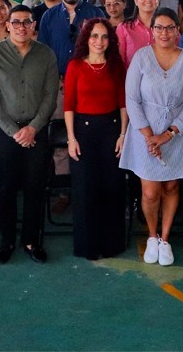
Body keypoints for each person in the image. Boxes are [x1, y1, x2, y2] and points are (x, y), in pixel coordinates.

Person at [121, 8, 183, 267]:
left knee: (171, 186)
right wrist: (149, 136)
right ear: (152, 31)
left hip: (177, 132)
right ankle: (152, 236)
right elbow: (132, 99)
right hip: (144, 132)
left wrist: (167, 135)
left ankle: (165, 239)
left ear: (177, 30)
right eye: (159, 27)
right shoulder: (141, 57)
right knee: (150, 192)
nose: (164, 32)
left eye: (170, 27)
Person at [0, 3, 58, 264]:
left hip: (36, 130)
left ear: (33, 25)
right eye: (16, 22)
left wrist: (33, 127)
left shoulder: (46, 55)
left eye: (27, 22)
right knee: (7, 187)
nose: (22, 27)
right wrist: (15, 132)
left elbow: (50, 95)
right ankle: (7, 241)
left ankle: (31, 241)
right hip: (5, 131)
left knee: (36, 187)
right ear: (7, 25)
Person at [63, 17, 128, 262]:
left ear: (110, 40)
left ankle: (112, 244)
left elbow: (123, 103)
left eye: (104, 36)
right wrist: (71, 138)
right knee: (85, 190)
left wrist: (123, 134)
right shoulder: (75, 66)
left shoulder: (116, 66)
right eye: (94, 36)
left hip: (112, 132)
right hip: (83, 132)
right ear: (86, 39)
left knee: (112, 188)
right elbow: (68, 105)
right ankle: (87, 245)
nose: (99, 41)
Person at [37, 0, 103, 77]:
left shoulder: (95, 14)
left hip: (88, 79)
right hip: (56, 81)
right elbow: (43, 51)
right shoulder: (49, 16)